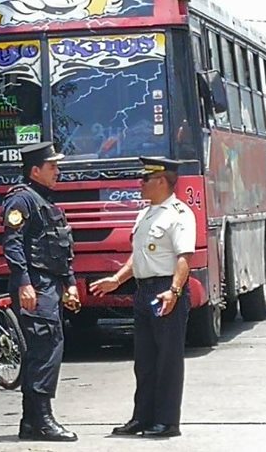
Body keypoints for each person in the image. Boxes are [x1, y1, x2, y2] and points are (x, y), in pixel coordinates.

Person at [89, 157, 195, 438]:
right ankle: (143, 418)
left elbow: (184, 258)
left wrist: (173, 291)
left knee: (168, 360)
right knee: (144, 360)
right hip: (144, 289)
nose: (140, 184)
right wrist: (117, 279)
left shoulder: (179, 214)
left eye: (144, 179)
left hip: (165, 289)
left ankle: (167, 422)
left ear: (161, 181)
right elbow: (138, 257)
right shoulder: (145, 214)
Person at [2, 141, 79, 442]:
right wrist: (24, 283)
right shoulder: (21, 201)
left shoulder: (45, 201)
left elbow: (59, 248)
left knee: (46, 347)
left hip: (49, 285)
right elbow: (13, 244)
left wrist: (70, 282)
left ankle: (30, 422)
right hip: (35, 286)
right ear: (35, 170)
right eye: (52, 167)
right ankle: (43, 421)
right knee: (45, 349)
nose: (57, 171)